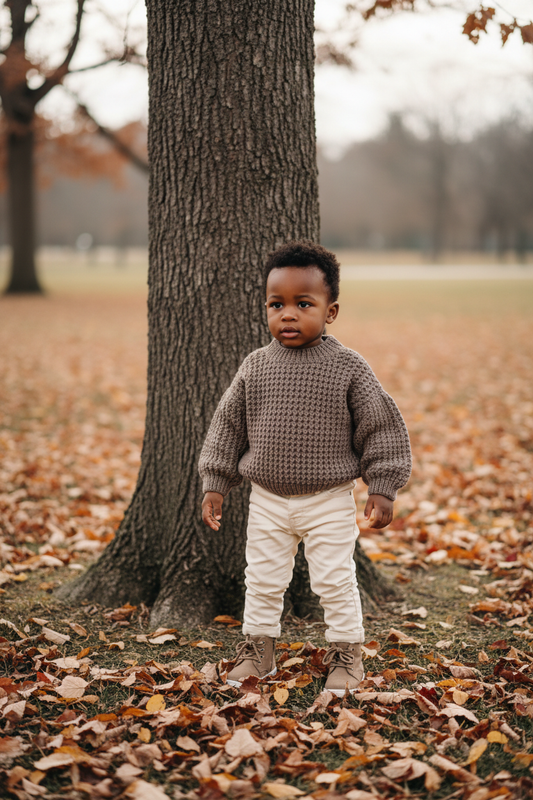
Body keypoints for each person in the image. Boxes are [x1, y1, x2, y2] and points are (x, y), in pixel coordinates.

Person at [199, 240, 411, 696]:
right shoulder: (256, 366)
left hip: (328, 499)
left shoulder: (348, 367)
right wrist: (215, 482)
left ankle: (347, 652)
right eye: (276, 305)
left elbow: (380, 426)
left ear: (330, 312)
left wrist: (383, 485)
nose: (288, 315)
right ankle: (259, 650)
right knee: (261, 579)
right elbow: (227, 426)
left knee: (334, 579)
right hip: (267, 500)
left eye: (303, 304)